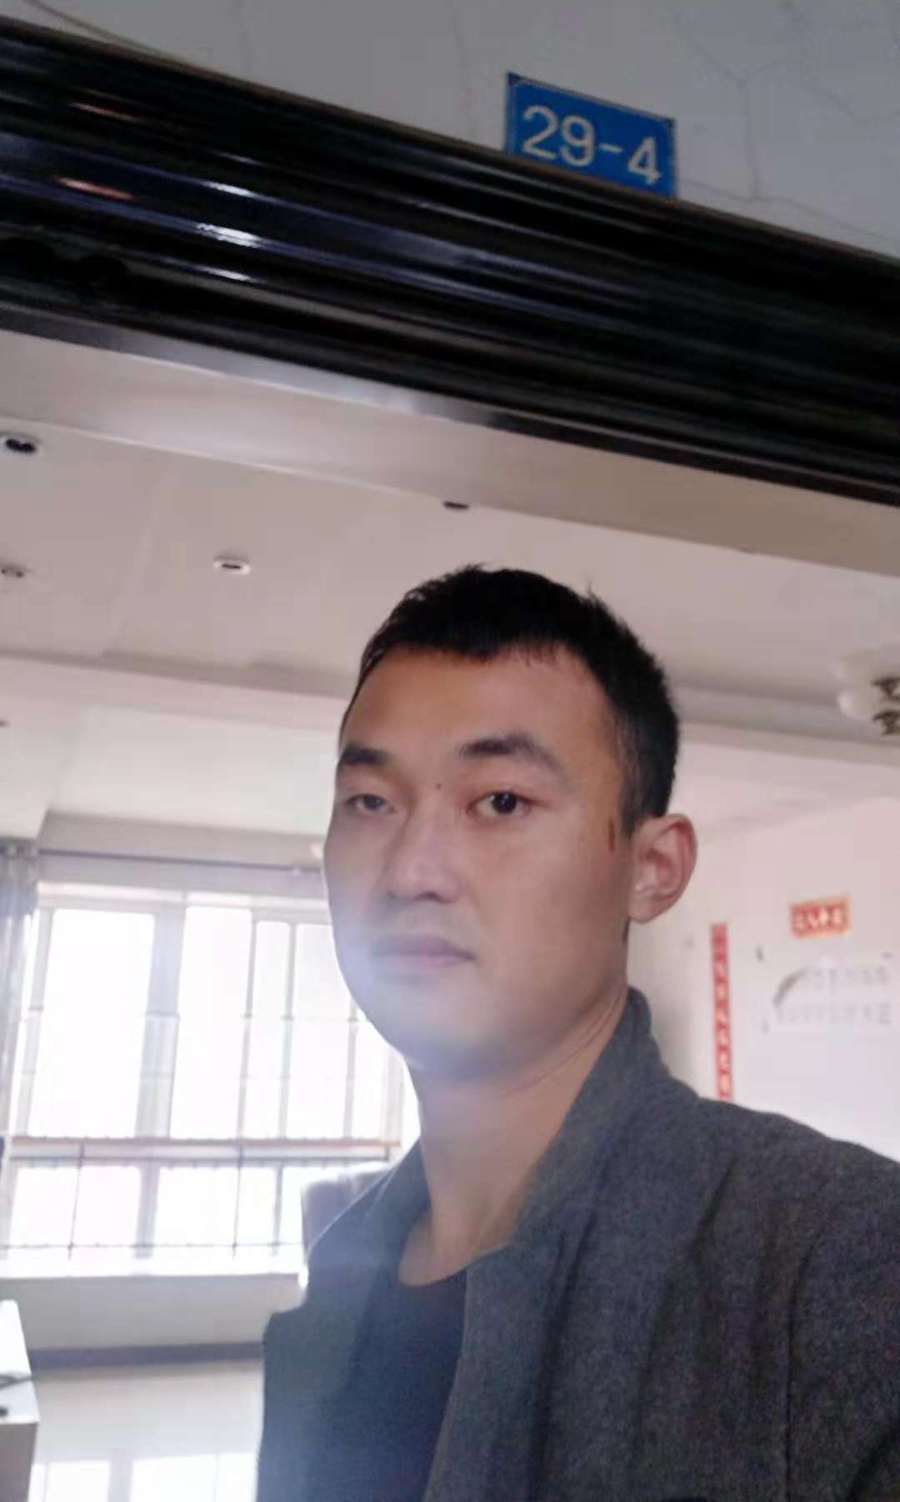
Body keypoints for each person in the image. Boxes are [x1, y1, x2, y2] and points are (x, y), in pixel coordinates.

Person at [257, 566, 900, 1502]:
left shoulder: (837, 1262)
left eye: (500, 802)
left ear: (652, 868)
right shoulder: (343, 1266)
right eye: (371, 802)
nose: (409, 871)